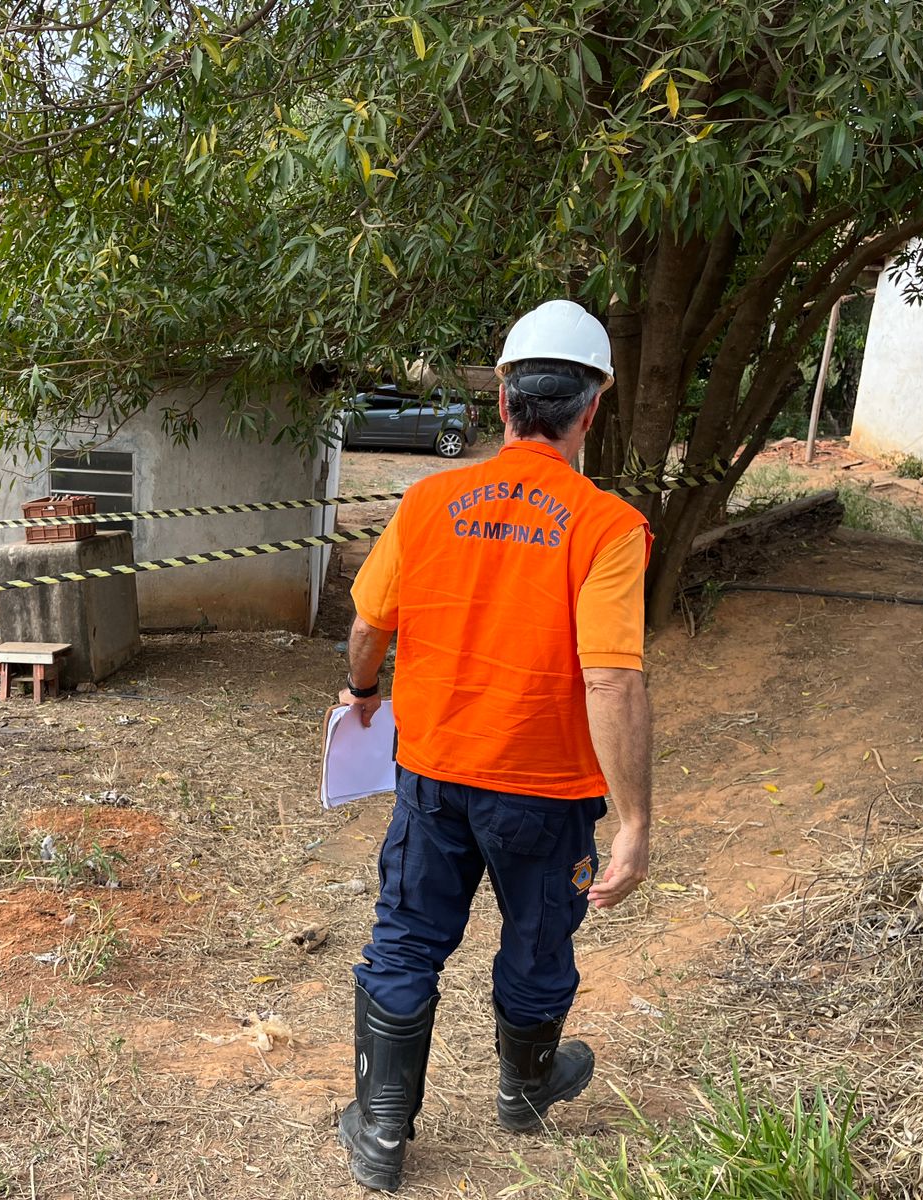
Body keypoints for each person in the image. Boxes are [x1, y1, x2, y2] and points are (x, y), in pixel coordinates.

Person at [334, 300, 654, 1192]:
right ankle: (526, 1086)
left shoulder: (428, 500)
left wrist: (364, 697)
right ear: (593, 408)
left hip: (432, 778)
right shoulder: (606, 527)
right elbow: (613, 679)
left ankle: (383, 1129)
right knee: (540, 940)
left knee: (405, 941)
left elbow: (368, 629)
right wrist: (633, 822)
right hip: (548, 794)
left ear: (505, 397)